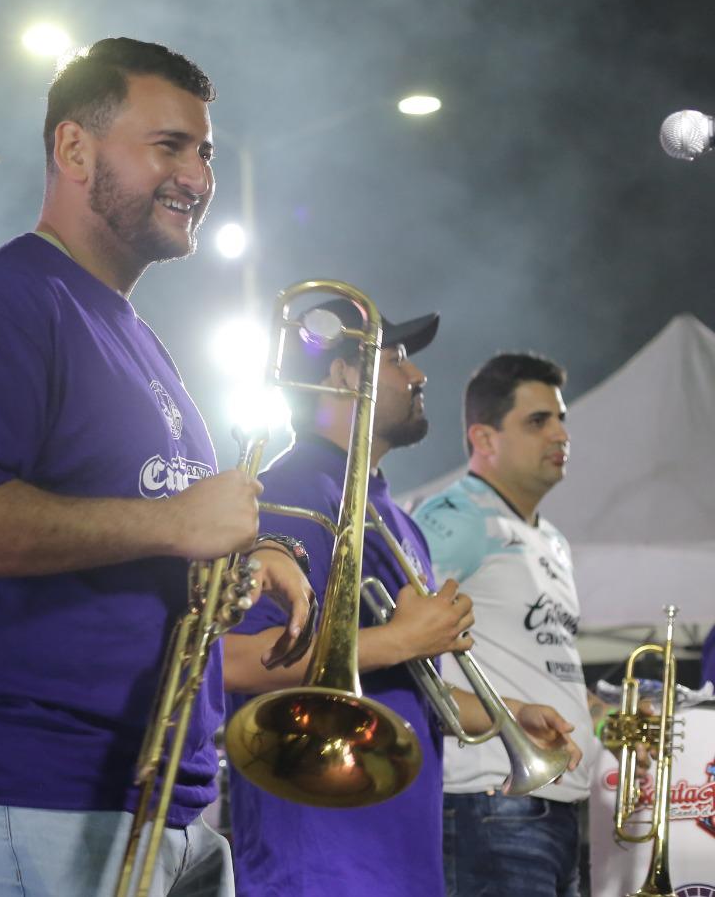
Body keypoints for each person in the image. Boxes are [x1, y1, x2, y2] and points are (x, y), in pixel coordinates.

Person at [0, 38, 316, 897]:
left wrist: (239, 561)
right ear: (73, 149)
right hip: (44, 790)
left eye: (205, 152)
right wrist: (175, 524)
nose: (198, 175)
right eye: (169, 146)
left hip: (165, 803)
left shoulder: (131, 333)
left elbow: (153, 537)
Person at [221, 302, 582, 897]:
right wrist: (400, 639)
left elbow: (415, 687)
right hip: (320, 855)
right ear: (341, 375)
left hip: (403, 853)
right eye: (397, 360)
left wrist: (511, 714)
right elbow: (234, 660)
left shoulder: (393, 514)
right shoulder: (287, 493)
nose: (417, 377)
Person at [414, 352, 599, 896]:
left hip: (556, 810)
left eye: (561, 417)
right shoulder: (453, 520)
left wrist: (611, 719)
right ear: (485, 439)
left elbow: (544, 665)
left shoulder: (554, 541)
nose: (561, 433)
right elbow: (401, 646)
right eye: (538, 421)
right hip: (492, 803)